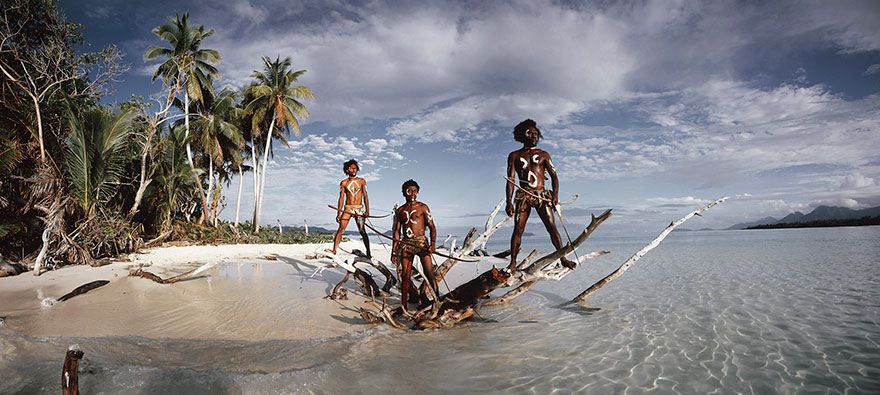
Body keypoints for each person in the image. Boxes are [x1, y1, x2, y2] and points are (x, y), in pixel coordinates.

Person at [505, 119, 576, 273]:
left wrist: (555, 195)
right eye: (530, 133)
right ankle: (513, 263)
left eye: (536, 133)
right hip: (524, 195)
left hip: (542, 195)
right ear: (522, 135)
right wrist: (509, 202)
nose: (533, 136)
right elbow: (511, 180)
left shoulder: (544, 154)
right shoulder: (514, 155)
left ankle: (563, 258)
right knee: (518, 229)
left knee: (552, 227)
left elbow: (554, 176)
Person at [391, 179, 440, 312]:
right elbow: (396, 232)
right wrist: (394, 251)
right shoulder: (400, 210)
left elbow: (432, 227)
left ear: (417, 192)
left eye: (414, 191)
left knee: (429, 273)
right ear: (404, 193)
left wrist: (433, 244)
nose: (412, 193)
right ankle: (404, 306)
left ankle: (438, 303)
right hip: (406, 244)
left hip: (422, 243)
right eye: (409, 191)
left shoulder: (423, 207)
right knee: (405, 276)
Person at [327, 159, 371, 258]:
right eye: (351, 168)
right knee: (341, 230)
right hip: (347, 208)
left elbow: (365, 196)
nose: (354, 170)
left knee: (362, 231)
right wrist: (338, 213)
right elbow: (341, 198)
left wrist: (367, 210)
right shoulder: (344, 183)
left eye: (355, 168)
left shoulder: (362, 181)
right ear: (347, 170)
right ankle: (334, 250)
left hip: (358, 208)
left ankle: (368, 252)